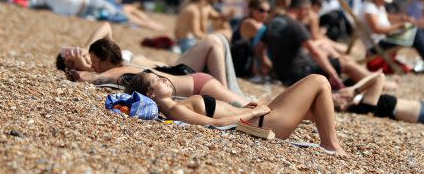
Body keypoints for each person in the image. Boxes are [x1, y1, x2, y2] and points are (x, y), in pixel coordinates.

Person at [126, 72, 345, 155]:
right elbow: (215, 124)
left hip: (260, 117)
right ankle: (331, 144)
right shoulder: (176, 110)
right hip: (263, 123)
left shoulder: (178, 105)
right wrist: (253, 113)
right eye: (156, 81)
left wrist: (245, 109)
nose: (163, 79)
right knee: (318, 81)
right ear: (150, 94)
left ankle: (329, 138)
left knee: (316, 100)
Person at [57, 22, 244, 94]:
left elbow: (106, 27)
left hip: (174, 67)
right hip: (172, 75)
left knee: (216, 40)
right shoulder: (102, 69)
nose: (77, 53)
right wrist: (83, 66)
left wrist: (85, 47)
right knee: (212, 41)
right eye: (71, 57)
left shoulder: (102, 54)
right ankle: (227, 94)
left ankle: (226, 92)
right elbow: (88, 78)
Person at [257, 0, 375, 89]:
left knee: (339, 57)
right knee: (345, 62)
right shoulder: (296, 26)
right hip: (300, 74)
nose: (307, 15)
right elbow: (315, 52)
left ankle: (371, 78)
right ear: (302, 9)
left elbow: (259, 47)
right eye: (307, 11)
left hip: (283, 73)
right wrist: (333, 74)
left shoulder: (275, 22)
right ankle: (375, 82)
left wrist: (266, 65)